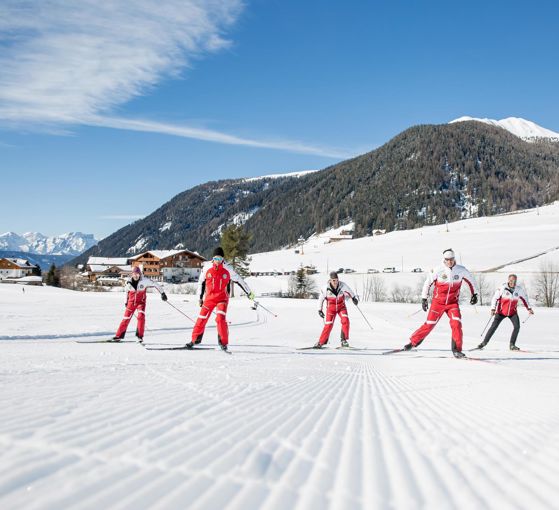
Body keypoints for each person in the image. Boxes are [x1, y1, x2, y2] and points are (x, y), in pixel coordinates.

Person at [403, 249, 478, 358]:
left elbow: (471, 280)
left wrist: (474, 294)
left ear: (454, 259)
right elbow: (427, 283)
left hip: (452, 303)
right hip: (438, 303)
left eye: (451, 259)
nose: (449, 262)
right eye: (447, 260)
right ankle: (413, 343)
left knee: (456, 323)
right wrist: (424, 299)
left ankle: (456, 350)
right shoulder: (438, 270)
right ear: (444, 259)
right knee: (429, 324)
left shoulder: (461, 270)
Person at [187, 247, 254, 351]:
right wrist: (200, 297)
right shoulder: (206, 268)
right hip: (209, 298)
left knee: (220, 319)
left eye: (220, 259)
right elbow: (201, 283)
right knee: (202, 318)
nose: (217, 261)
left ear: (223, 259)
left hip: (222, 299)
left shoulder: (228, 269)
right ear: (212, 258)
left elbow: (239, 280)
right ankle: (194, 340)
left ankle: (223, 343)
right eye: (215, 258)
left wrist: (248, 292)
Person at [478, 274, 534, 351]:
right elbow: (495, 298)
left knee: (517, 327)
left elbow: (525, 299)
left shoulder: (519, 289)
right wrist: (493, 309)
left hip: (512, 313)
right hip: (501, 312)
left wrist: (529, 308)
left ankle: (512, 345)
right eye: (511, 280)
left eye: (514, 280)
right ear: (508, 280)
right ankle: (484, 343)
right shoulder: (503, 287)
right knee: (493, 327)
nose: (512, 282)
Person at [113, 265, 167, 342]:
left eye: (137, 274)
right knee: (126, 318)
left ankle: (140, 336)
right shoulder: (128, 282)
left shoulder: (145, 281)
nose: (136, 275)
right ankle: (118, 336)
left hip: (141, 303)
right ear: (132, 274)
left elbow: (155, 284)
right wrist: (126, 302)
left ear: (140, 274)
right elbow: (126, 292)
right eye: (134, 274)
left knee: (141, 317)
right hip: (131, 303)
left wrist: (163, 293)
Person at [313, 271, 358, 349]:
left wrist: (354, 298)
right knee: (328, 324)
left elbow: (350, 291)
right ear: (330, 280)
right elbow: (321, 299)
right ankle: (321, 342)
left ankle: (343, 340)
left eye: (337, 280)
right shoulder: (325, 288)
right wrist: (319, 310)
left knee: (345, 320)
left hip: (341, 307)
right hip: (331, 309)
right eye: (333, 280)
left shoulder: (342, 285)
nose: (335, 282)